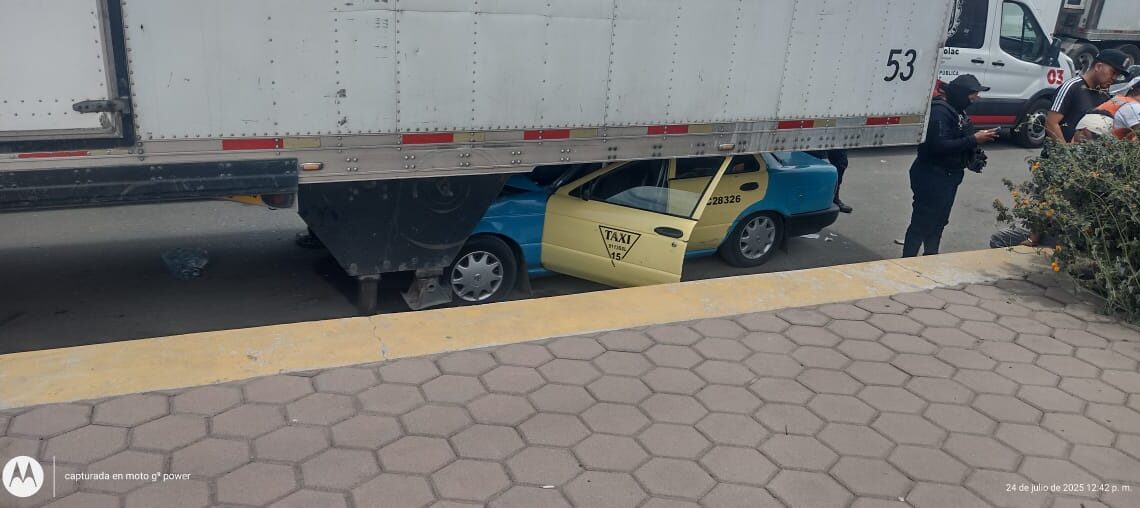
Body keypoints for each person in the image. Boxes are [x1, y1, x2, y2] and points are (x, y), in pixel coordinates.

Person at [902, 74, 998, 258]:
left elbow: (959, 138)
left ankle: (931, 257)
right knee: (922, 223)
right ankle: (907, 260)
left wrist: (973, 149)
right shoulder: (940, 112)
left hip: (949, 176)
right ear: (962, 94)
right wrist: (973, 139)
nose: (975, 99)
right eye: (972, 96)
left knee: (939, 222)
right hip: (932, 176)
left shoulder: (957, 110)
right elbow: (939, 146)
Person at [1045, 49, 1131, 145]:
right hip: (1060, 156)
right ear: (1098, 66)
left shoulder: (1103, 92)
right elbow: (1051, 123)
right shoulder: (1071, 87)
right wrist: (1066, 152)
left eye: (1118, 75)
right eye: (1113, 72)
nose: (1114, 78)